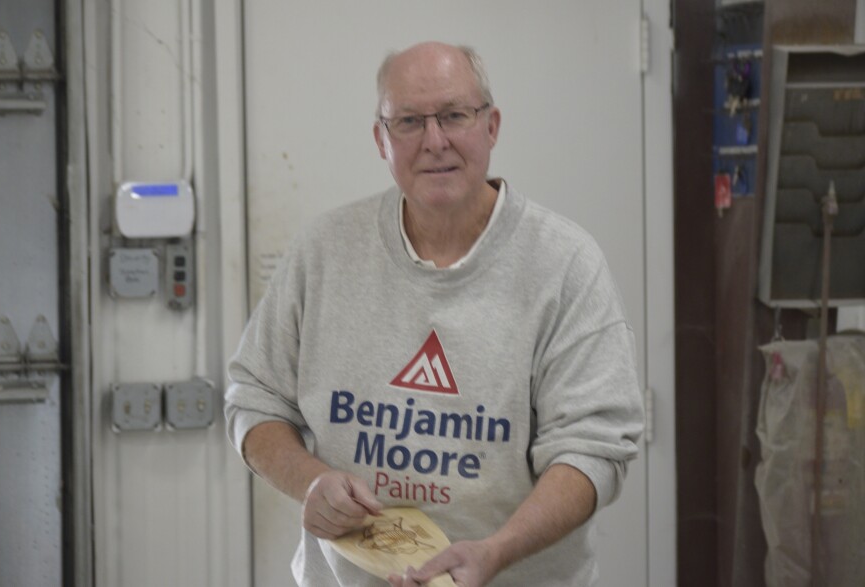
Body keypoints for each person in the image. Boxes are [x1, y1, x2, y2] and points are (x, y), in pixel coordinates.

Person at [225, 41, 644, 587]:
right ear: (380, 138)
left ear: (491, 126)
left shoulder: (564, 264)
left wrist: (496, 552)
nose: (434, 141)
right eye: (408, 122)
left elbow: (594, 448)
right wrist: (310, 482)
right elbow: (253, 400)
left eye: (454, 116)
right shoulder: (325, 252)